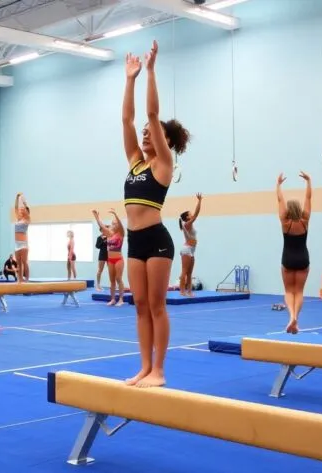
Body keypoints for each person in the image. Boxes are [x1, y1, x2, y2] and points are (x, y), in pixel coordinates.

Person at [121, 41, 191, 388]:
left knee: (157, 306)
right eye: (146, 134)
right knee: (139, 305)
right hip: (135, 241)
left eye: (152, 132)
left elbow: (148, 115)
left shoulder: (164, 163)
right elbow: (128, 119)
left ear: (164, 140)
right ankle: (144, 368)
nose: (146, 133)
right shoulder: (135, 161)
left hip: (157, 241)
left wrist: (149, 72)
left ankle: (159, 370)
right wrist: (129, 79)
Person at [276, 172, 312, 334]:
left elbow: (279, 200)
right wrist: (309, 182)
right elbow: (308, 200)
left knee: (289, 291)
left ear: (289, 211)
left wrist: (278, 185)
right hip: (303, 259)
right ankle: (296, 318)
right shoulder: (305, 222)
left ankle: (291, 316)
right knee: (299, 291)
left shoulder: (285, 223)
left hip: (288, 259)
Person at [93, 209, 126, 307]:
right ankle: (112, 299)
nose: (114, 225)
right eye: (112, 223)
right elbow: (101, 225)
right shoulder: (108, 233)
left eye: (115, 223)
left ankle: (121, 299)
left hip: (118, 259)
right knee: (111, 280)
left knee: (118, 278)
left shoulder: (121, 234)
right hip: (110, 260)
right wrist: (96, 217)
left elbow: (120, 225)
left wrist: (116, 214)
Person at [178, 193, 202, 297]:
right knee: (184, 271)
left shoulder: (189, 224)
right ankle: (182, 290)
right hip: (186, 249)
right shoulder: (187, 224)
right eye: (190, 213)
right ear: (187, 217)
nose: (192, 214)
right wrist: (199, 201)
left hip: (192, 250)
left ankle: (190, 291)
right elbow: (196, 214)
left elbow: (195, 215)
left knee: (190, 273)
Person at [13, 193, 31, 283]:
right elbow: (16, 208)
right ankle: (20, 280)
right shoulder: (18, 219)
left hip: (23, 244)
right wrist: (17, 198)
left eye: (24, 210)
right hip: (17, 244)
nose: (21, 210)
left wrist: (23, 201)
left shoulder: (27, 220)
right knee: (19, 263)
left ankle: (27, 279)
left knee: (24, 262)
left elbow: (25, 209)